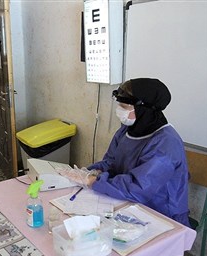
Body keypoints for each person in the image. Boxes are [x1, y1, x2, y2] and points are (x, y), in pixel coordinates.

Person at [79, 78, 190, 227]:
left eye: (124, 107)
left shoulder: (166, 144)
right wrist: (89, 171)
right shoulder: (128, 130)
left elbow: (139, 188)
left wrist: (96, 182)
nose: (120, 111)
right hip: (127, 202)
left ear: (144, 109)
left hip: (161, 215)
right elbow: (111, 162)